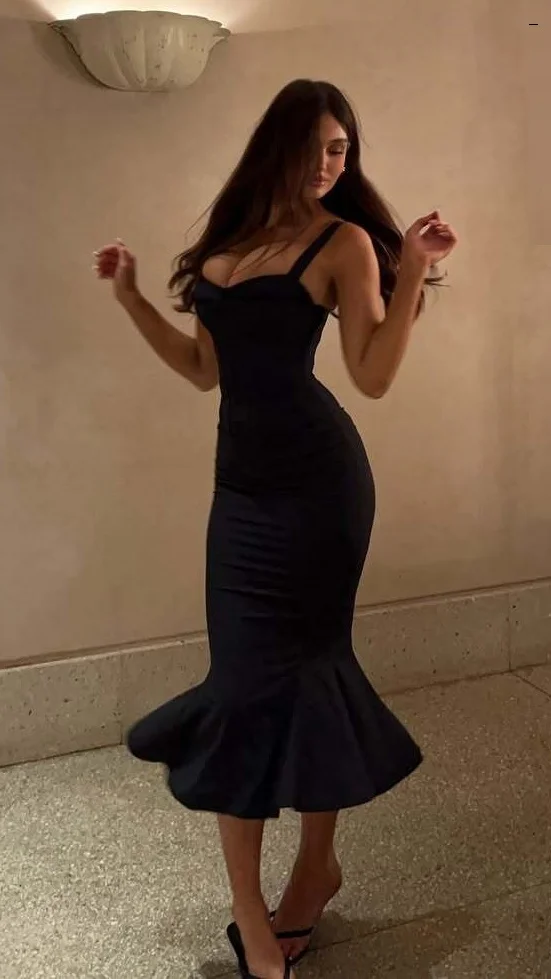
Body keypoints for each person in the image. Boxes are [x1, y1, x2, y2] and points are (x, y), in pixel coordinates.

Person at [94, 79, 458, 979]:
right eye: (319, 146)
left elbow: (371, 375)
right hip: (243, 497)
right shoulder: (227, 243)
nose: (331, 164)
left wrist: (411, 269)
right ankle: (269, 895)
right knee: (243, 686)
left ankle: (295, 881)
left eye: (342, 150)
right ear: (278, 144)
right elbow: (200, 368)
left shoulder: (343, 243)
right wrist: (131, 298)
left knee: (310, 672)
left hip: (319, 489)